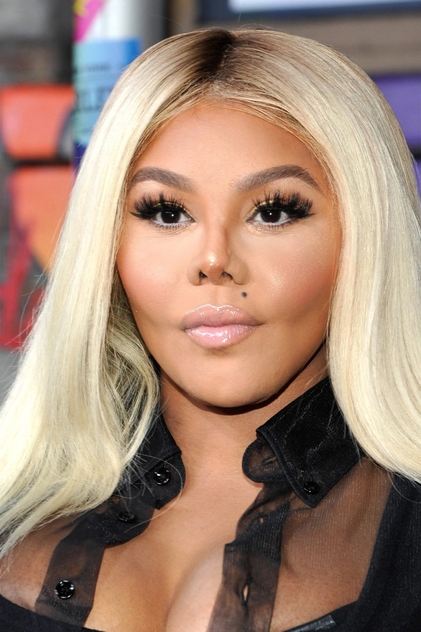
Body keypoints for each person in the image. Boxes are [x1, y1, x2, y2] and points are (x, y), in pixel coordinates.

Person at [0, 26, 420, 632]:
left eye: (273, 211)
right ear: (107, 244)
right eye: (167, 212)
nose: (214, 259)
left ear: (365, 237)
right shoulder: (16, 509)